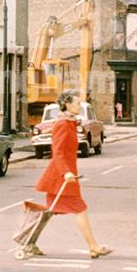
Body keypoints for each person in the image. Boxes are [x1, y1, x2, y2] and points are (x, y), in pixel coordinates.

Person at [34, 89, 112, 258]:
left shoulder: (68, 122)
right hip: (62, 176)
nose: (79, 105)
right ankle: (93, 246)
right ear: (68, 105)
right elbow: (58, 152)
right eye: (77, 103)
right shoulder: (63, 124)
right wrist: (66, 173)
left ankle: (28, 243)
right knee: (80, 208)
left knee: (49, 211)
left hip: (66, 175)